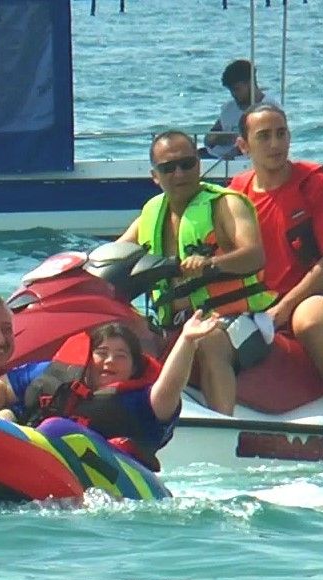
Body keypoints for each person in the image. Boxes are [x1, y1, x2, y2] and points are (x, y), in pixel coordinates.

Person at [117, 130, 276, 415]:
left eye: (187, 164)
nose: (179, 173)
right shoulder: (151, 213)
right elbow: (117, 254)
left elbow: (255, 255)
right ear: (155, 176)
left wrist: (211, 264)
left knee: (207, 341)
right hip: (172, 323)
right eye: (168, 168)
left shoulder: (225, 204)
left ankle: (223, 423)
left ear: (198, 165)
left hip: (238, 321)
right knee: (118, 337)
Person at [231, 104, 323, 410]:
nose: (275, 144)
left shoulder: (314, 183)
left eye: (281, 133)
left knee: (309, 324)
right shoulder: (237, 191)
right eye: (264, 136)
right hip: (262, 303)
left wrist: (284, 308)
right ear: (243, 145)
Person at [0, 311, 220, 469]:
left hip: (107, 474)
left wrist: (187, 341)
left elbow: (172, 385)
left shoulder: (143, 401)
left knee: (57, 428)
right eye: (102, 353)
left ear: (134, 366)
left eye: (121, 356)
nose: (110, 361)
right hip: (31, 451)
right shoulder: (57, 375)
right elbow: (1, 386)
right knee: (6, 415)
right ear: (88, 358)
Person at [204, 59, 280, 160]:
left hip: (246, 159)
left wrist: (236, 149)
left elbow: (266, 141)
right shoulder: (229, 108)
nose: (234, 94)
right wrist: (222, 138)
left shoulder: (270, 109)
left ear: (250, 83)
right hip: (218, 157)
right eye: (231, 90)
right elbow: (209, 138)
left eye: (237, 89)